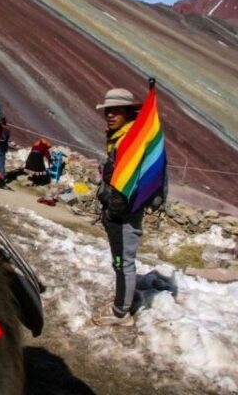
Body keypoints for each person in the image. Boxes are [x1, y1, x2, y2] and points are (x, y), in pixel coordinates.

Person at [92, 88, 144, 328]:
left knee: (124, 262)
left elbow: (125, 184)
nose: (110, 115)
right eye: (108, 111)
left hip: (124, 215)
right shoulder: (120, 137)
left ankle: (121, 312)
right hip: (120, 212)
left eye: (116, 111)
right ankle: (121, 304)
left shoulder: (128, 142)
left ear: (128, 113)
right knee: (121, 261)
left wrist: (112, 211)